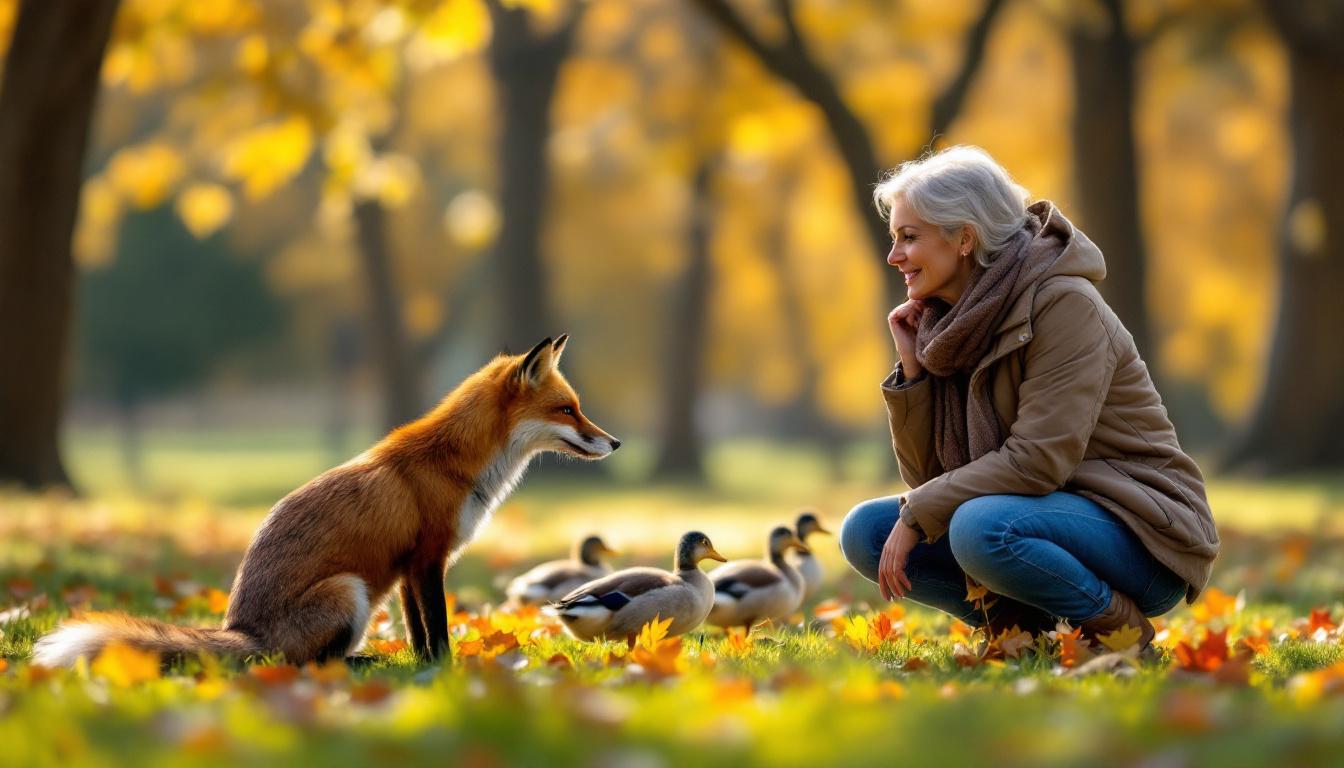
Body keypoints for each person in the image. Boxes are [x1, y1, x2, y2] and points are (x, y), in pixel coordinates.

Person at [839, 146, 1218, 647]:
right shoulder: (949, 326)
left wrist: (918, 511)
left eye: (909, 238)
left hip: (1140, 535)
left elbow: (1038, 461)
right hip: (1034, 517)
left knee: (977, 525)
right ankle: (1021, 634)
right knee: (867, 530)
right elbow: (934, 480)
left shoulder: (1065, 303)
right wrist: (914, 375)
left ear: (964, 239)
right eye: (894, 239)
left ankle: (1119, 629)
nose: (894, 256)